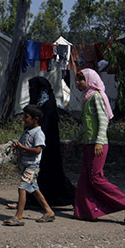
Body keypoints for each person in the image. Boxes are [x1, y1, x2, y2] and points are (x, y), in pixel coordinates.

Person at [74, 68, 125, 224]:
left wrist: (99, 141)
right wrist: (76, 139)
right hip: (88, 143)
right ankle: (86, 211)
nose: (77, 83)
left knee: (96, 178)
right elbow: (87, 124)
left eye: (80, 80)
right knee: (85, 178)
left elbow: (103, 121)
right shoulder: (87, 98)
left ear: (89, 81)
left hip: (97, 144)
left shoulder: (96, 97)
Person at [3, 104, 56, 226]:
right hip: (26, 164)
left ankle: (18, 216)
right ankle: (49, 211)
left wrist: (22, 147)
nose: (23, 119)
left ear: (35, 119)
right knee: (34, 189)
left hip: (32, 166)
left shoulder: (38, 133)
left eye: (26, 117)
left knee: (22, 188)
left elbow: (38, 150)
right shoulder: (27, 132)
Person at [27, 77, 76, 206]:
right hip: (42, 146)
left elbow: (45, 127)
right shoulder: (42, 105)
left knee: (50, 174)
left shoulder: (47, 106)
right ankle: (34, 200)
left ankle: (71, 197)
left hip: (48, 147)